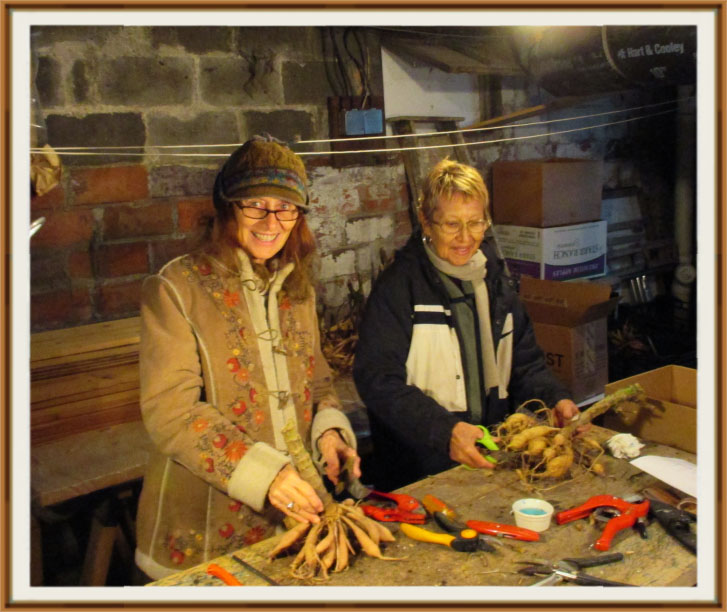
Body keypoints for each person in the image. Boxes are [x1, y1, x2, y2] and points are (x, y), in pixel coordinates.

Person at [134, 135, 361, 580]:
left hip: (294, 516)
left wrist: (330, 433)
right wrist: (267, 476)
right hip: (204, 524)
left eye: (286, 207)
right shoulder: (175, 288)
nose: (271, 222)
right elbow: (171, 412)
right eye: (255, 205)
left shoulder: (297, 288)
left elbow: (318, 382)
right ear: (227, 208)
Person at [353, 158, 579, 491]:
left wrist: (555, 398)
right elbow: (378, 381)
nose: (465, 237)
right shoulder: (400, 289)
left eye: (475, 222)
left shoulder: (496, 284)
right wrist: (444, 432)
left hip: (489, 455)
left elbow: (526, 365)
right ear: (426, 222)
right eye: (451, 224)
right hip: (419, 469)